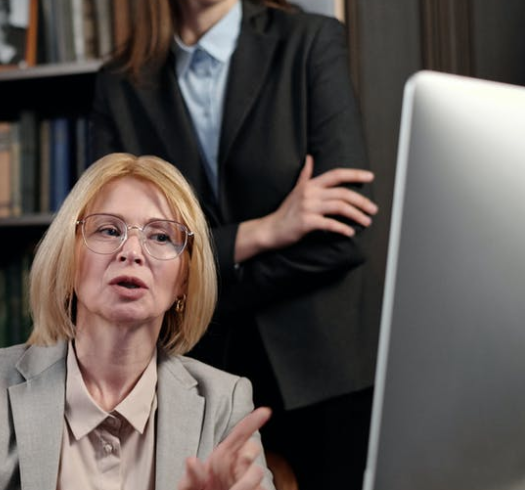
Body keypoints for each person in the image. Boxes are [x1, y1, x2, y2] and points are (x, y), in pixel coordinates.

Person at [91, 1, 379, 489]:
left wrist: (201, 274)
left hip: (324, 373)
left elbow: (342, 239)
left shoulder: (309, 42)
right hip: (193, 374)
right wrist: (266, 230)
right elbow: (114, 243)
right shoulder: (120, 82)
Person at [0, 153, 277, 490]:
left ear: (183, 281)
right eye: (109, 230)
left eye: (161, 236)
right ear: (69, 260)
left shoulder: (224, 404)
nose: (132, 252)